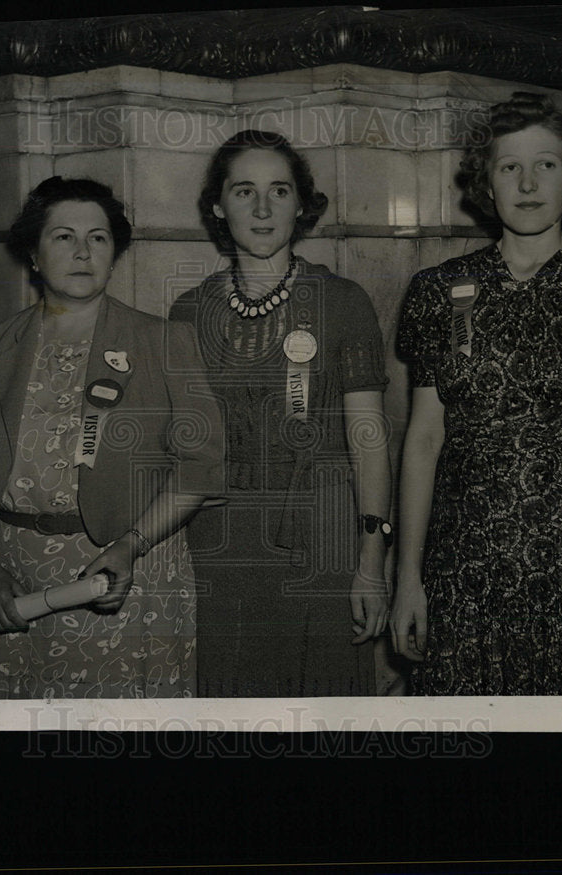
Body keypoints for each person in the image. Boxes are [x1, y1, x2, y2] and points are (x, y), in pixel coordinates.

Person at [391, 92, 562, 695]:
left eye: (546, 164)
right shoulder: (439, 291)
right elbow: (424, 439)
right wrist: (408, 576)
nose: (528, 181)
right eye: (509, 166)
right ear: (486, 183)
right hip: (462, 567)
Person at [0, 176, 224, 699]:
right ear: (33, 252)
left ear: (115, 252)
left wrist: (131, 547)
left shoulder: (163, 341)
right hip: (14, 577)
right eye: (63, 236)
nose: (82, 251)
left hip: (127, 574)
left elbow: (200, 466)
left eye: (98, 237)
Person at [169, 130, 391, 697]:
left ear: (301, 204)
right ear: (219, 206)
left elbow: (368, 440)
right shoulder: (189, 311)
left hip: (323, 536)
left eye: (279, 191)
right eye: (244, 192)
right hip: (219, 541)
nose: (263, 209)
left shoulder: (343, 301)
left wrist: (372, 558)